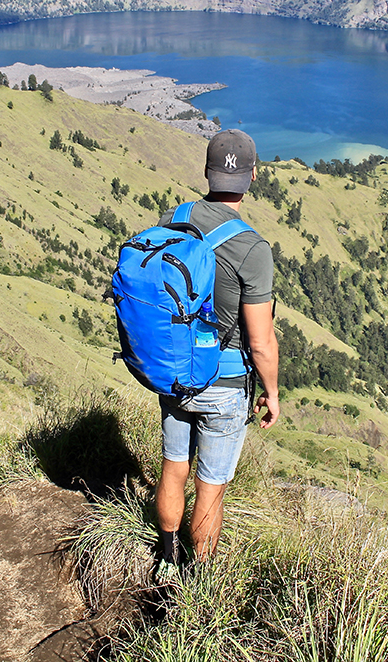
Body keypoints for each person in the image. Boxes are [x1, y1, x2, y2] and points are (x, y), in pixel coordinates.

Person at [155, 129, 280, 568]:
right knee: (210, 490)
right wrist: (273, 393)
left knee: (174, 467)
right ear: (253, 176)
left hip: (174, 371)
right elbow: (261, 342)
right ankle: (198, 580)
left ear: (208, 170)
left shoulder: (180, 216)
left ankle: (166, 560)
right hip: (223, 384)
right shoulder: (252, 248)